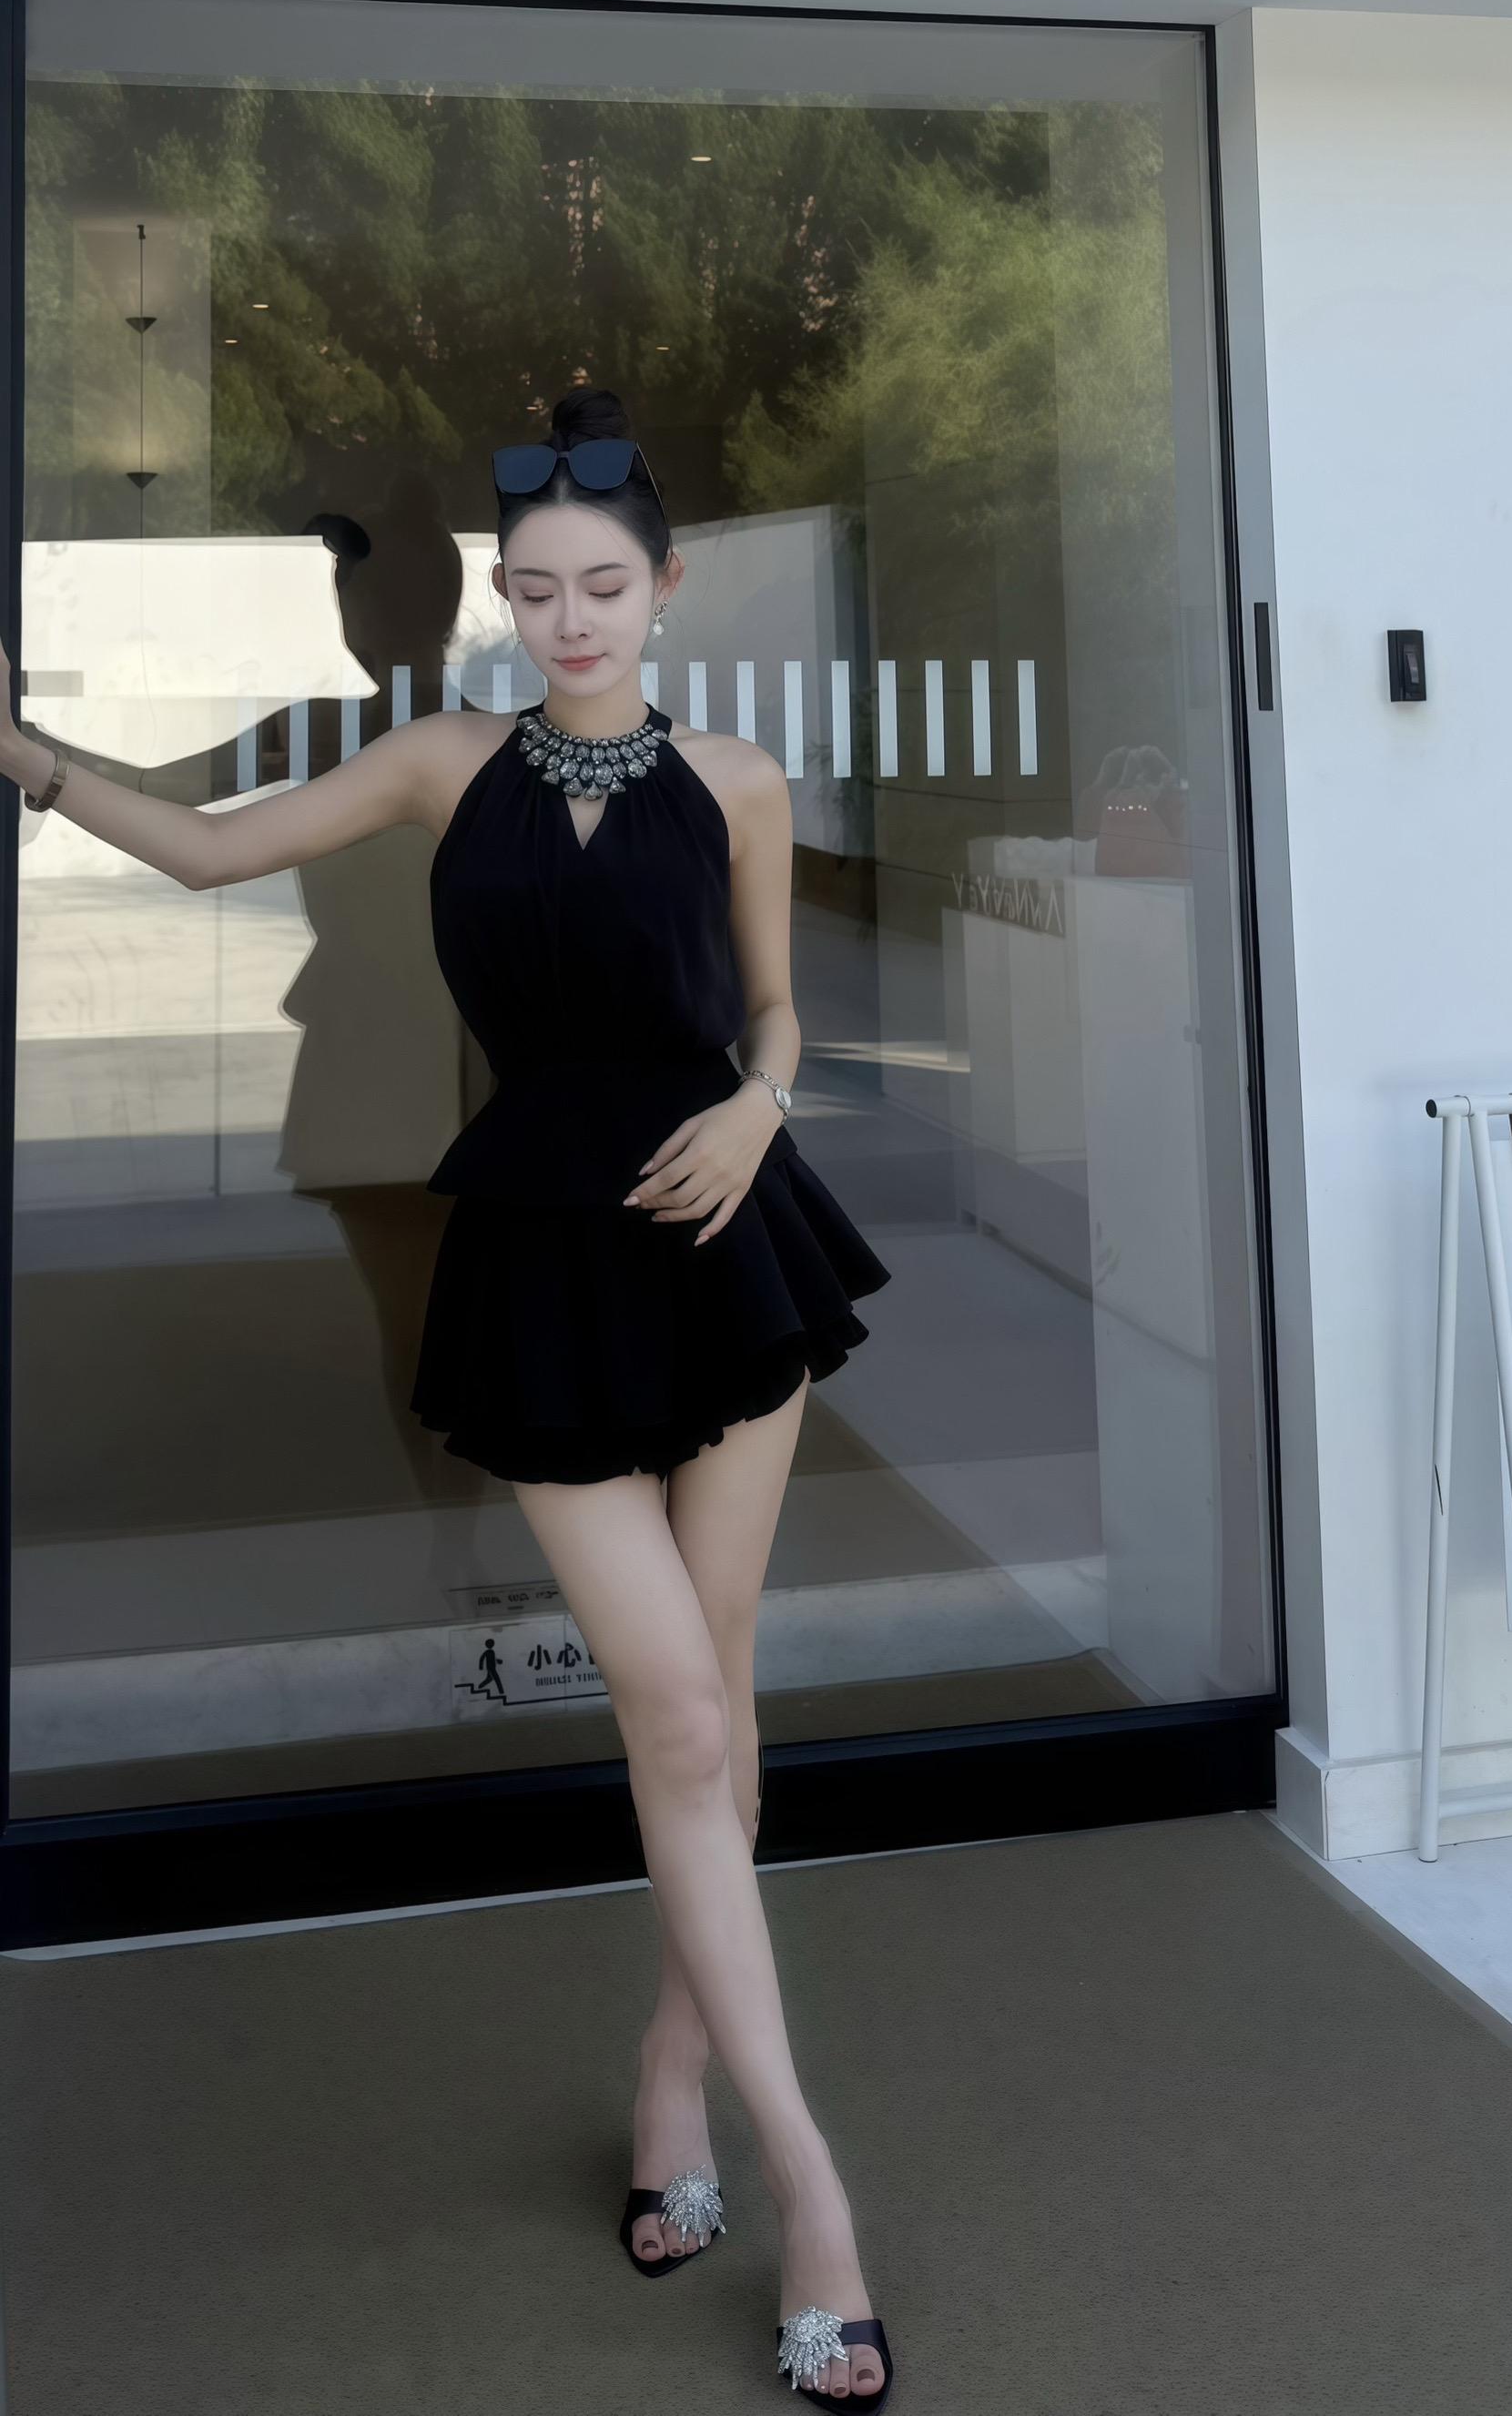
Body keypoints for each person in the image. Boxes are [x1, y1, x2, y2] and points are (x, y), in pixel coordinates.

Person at [0, 388, 898, 2406]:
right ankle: (810, 2181)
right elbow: (210, 850)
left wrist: (763, 1108)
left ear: (666, 587)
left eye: (604, 586)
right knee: (679, 1715)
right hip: (544, 1269)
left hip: (728, 1243)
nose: (570, 618)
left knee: (720, 1701)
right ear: (506, 598)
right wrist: (24, 754)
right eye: (538, 589)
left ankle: (671, 2073)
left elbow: (774, 1010)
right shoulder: (441, 761)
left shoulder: (738, 781)